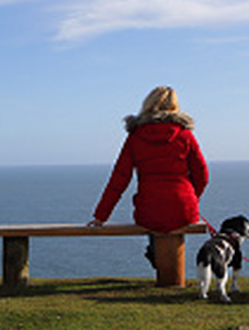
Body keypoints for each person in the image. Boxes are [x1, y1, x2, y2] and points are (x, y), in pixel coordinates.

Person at [87, 86, 209, 267]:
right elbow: (202, 176)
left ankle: (157, 257)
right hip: (183, 207)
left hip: (149, 209)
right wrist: (190, 198)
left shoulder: (135, 137)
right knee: (174, 219)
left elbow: (119, 179)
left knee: (155, 218)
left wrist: (101, 216)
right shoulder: (185, 135)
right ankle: (168, 267)